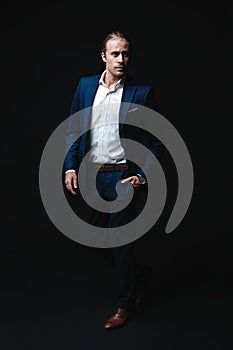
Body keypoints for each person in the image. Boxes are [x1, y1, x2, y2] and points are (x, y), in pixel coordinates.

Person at [63, 30, 164, 329]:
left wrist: (141, 175)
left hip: (122, 178)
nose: (122, 59)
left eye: (126, 53)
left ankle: (124, 305)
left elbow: (157, 141)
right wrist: (70, 167)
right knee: (94, 238)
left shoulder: (141, 93)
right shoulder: (84, 87)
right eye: (116, 54)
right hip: (93, 176)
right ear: (103, 56)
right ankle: (137, 274)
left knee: (120, 244)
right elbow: (74, 129)